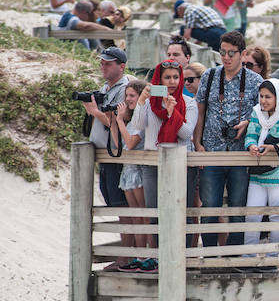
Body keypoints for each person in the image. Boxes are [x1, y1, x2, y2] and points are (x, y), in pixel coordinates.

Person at [193, 31, 264, 251]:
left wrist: (248, 122)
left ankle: (234, 256)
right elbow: (200, 111)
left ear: (242, 54)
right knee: (210, 207)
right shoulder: (210, 76)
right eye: (223, 52)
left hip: (240, 152)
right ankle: (211, 256)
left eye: (231, 53)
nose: (226, 57)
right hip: (212, 151)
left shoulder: (255, 80)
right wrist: (198, 144)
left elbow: (264, 113)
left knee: (237, 207)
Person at [128, 59, 200, 260]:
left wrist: (172, 112)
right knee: (155, 213)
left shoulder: (189, 103)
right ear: (158, 79)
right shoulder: (151, 103)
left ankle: (180, 258)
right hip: (153, 164)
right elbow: (138, 125)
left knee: (180, 213)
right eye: (167, 77)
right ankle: (161, 258)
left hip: (180, 165)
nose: (172, 82)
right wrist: (141, 102)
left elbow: (186, 134)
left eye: (176, 77)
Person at [78, 46, 130, 268]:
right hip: (105, 156)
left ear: (121, 66)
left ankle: (126, 257)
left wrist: (95, 112)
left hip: (116, 156)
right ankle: (125, 256)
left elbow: (118, 124)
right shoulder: (106, 87)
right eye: (102, 63)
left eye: (108, 63)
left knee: (121, 207)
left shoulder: (125, 88)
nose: (103, 66)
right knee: (114, 204)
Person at [242, 79, 279, 271]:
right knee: (252, 214)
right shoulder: (256, 112)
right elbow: (250, 134)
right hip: (258, 172)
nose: (264, 101)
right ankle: (248, 257)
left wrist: (273, 148)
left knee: (276, 214)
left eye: (268, 97)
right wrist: (250, 145)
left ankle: (273, 258)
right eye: (262, 96)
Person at [113, 79, 149, 270]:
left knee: (142, 215)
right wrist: (113, 121)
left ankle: (144, 257)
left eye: (132, 95)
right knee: (136, 215)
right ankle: (138, 255)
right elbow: (121, 146)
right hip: (128, 169)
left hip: (139, 170)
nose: (127, 100)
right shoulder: (132, 118)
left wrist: (119, 120)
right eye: (126, 95)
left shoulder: (140, 117)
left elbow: (131, 143)